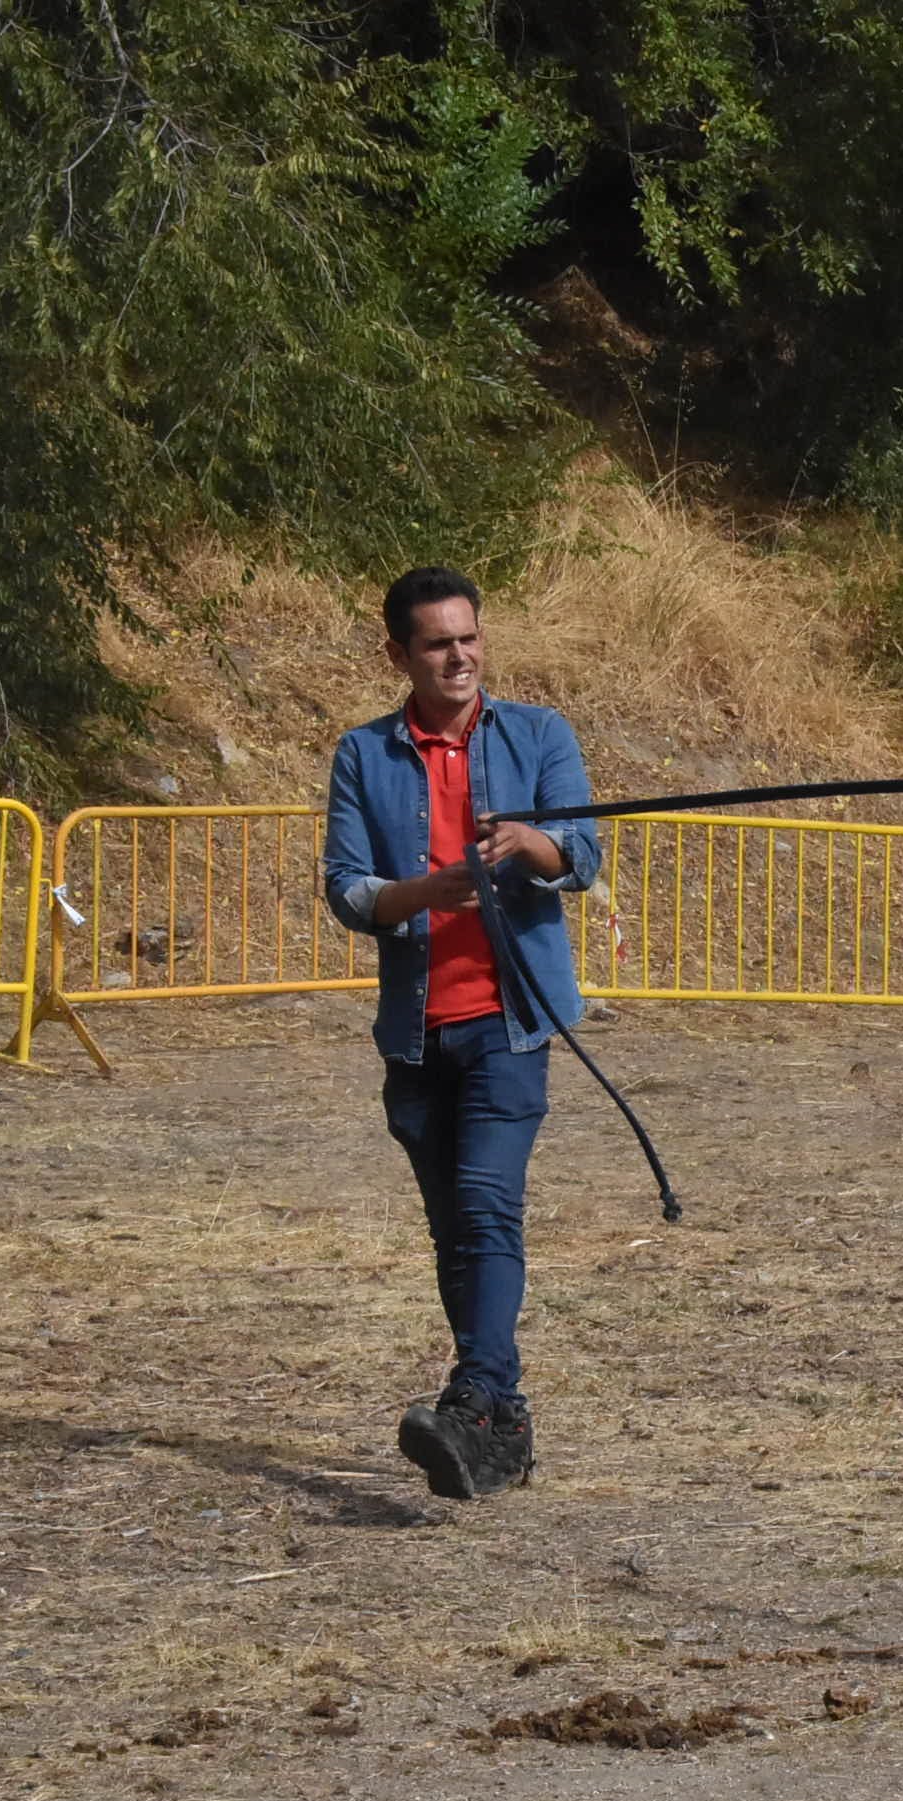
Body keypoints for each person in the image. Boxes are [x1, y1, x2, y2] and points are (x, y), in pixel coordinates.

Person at [322, 568, 599, 1500]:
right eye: (438, 642)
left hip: (510, 1023)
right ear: (399, 653)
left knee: (487, 1205)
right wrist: (420, 896)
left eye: (470, 637)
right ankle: (502, 1424)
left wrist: (532, 844)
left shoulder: (539, 735)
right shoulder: (363, 755)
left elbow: (585, 854)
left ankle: (473, 1395)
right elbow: (349, 888)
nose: (460, 656)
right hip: (415, 1033)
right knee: (455, 1235)